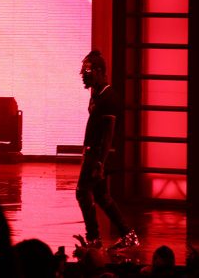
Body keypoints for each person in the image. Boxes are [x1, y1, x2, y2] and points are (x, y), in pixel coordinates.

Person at [75, 50, 138, 251]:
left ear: (100, 71)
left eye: (88, 71)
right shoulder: (97, 94)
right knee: (101, 196)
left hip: (99, 154)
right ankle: (127, 235)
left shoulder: (109, 98)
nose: (84, 75)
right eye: (83, 71)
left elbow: (108, 133)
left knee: (82, 192)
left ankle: (94, 238)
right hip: (94, 152)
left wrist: (100, 162)